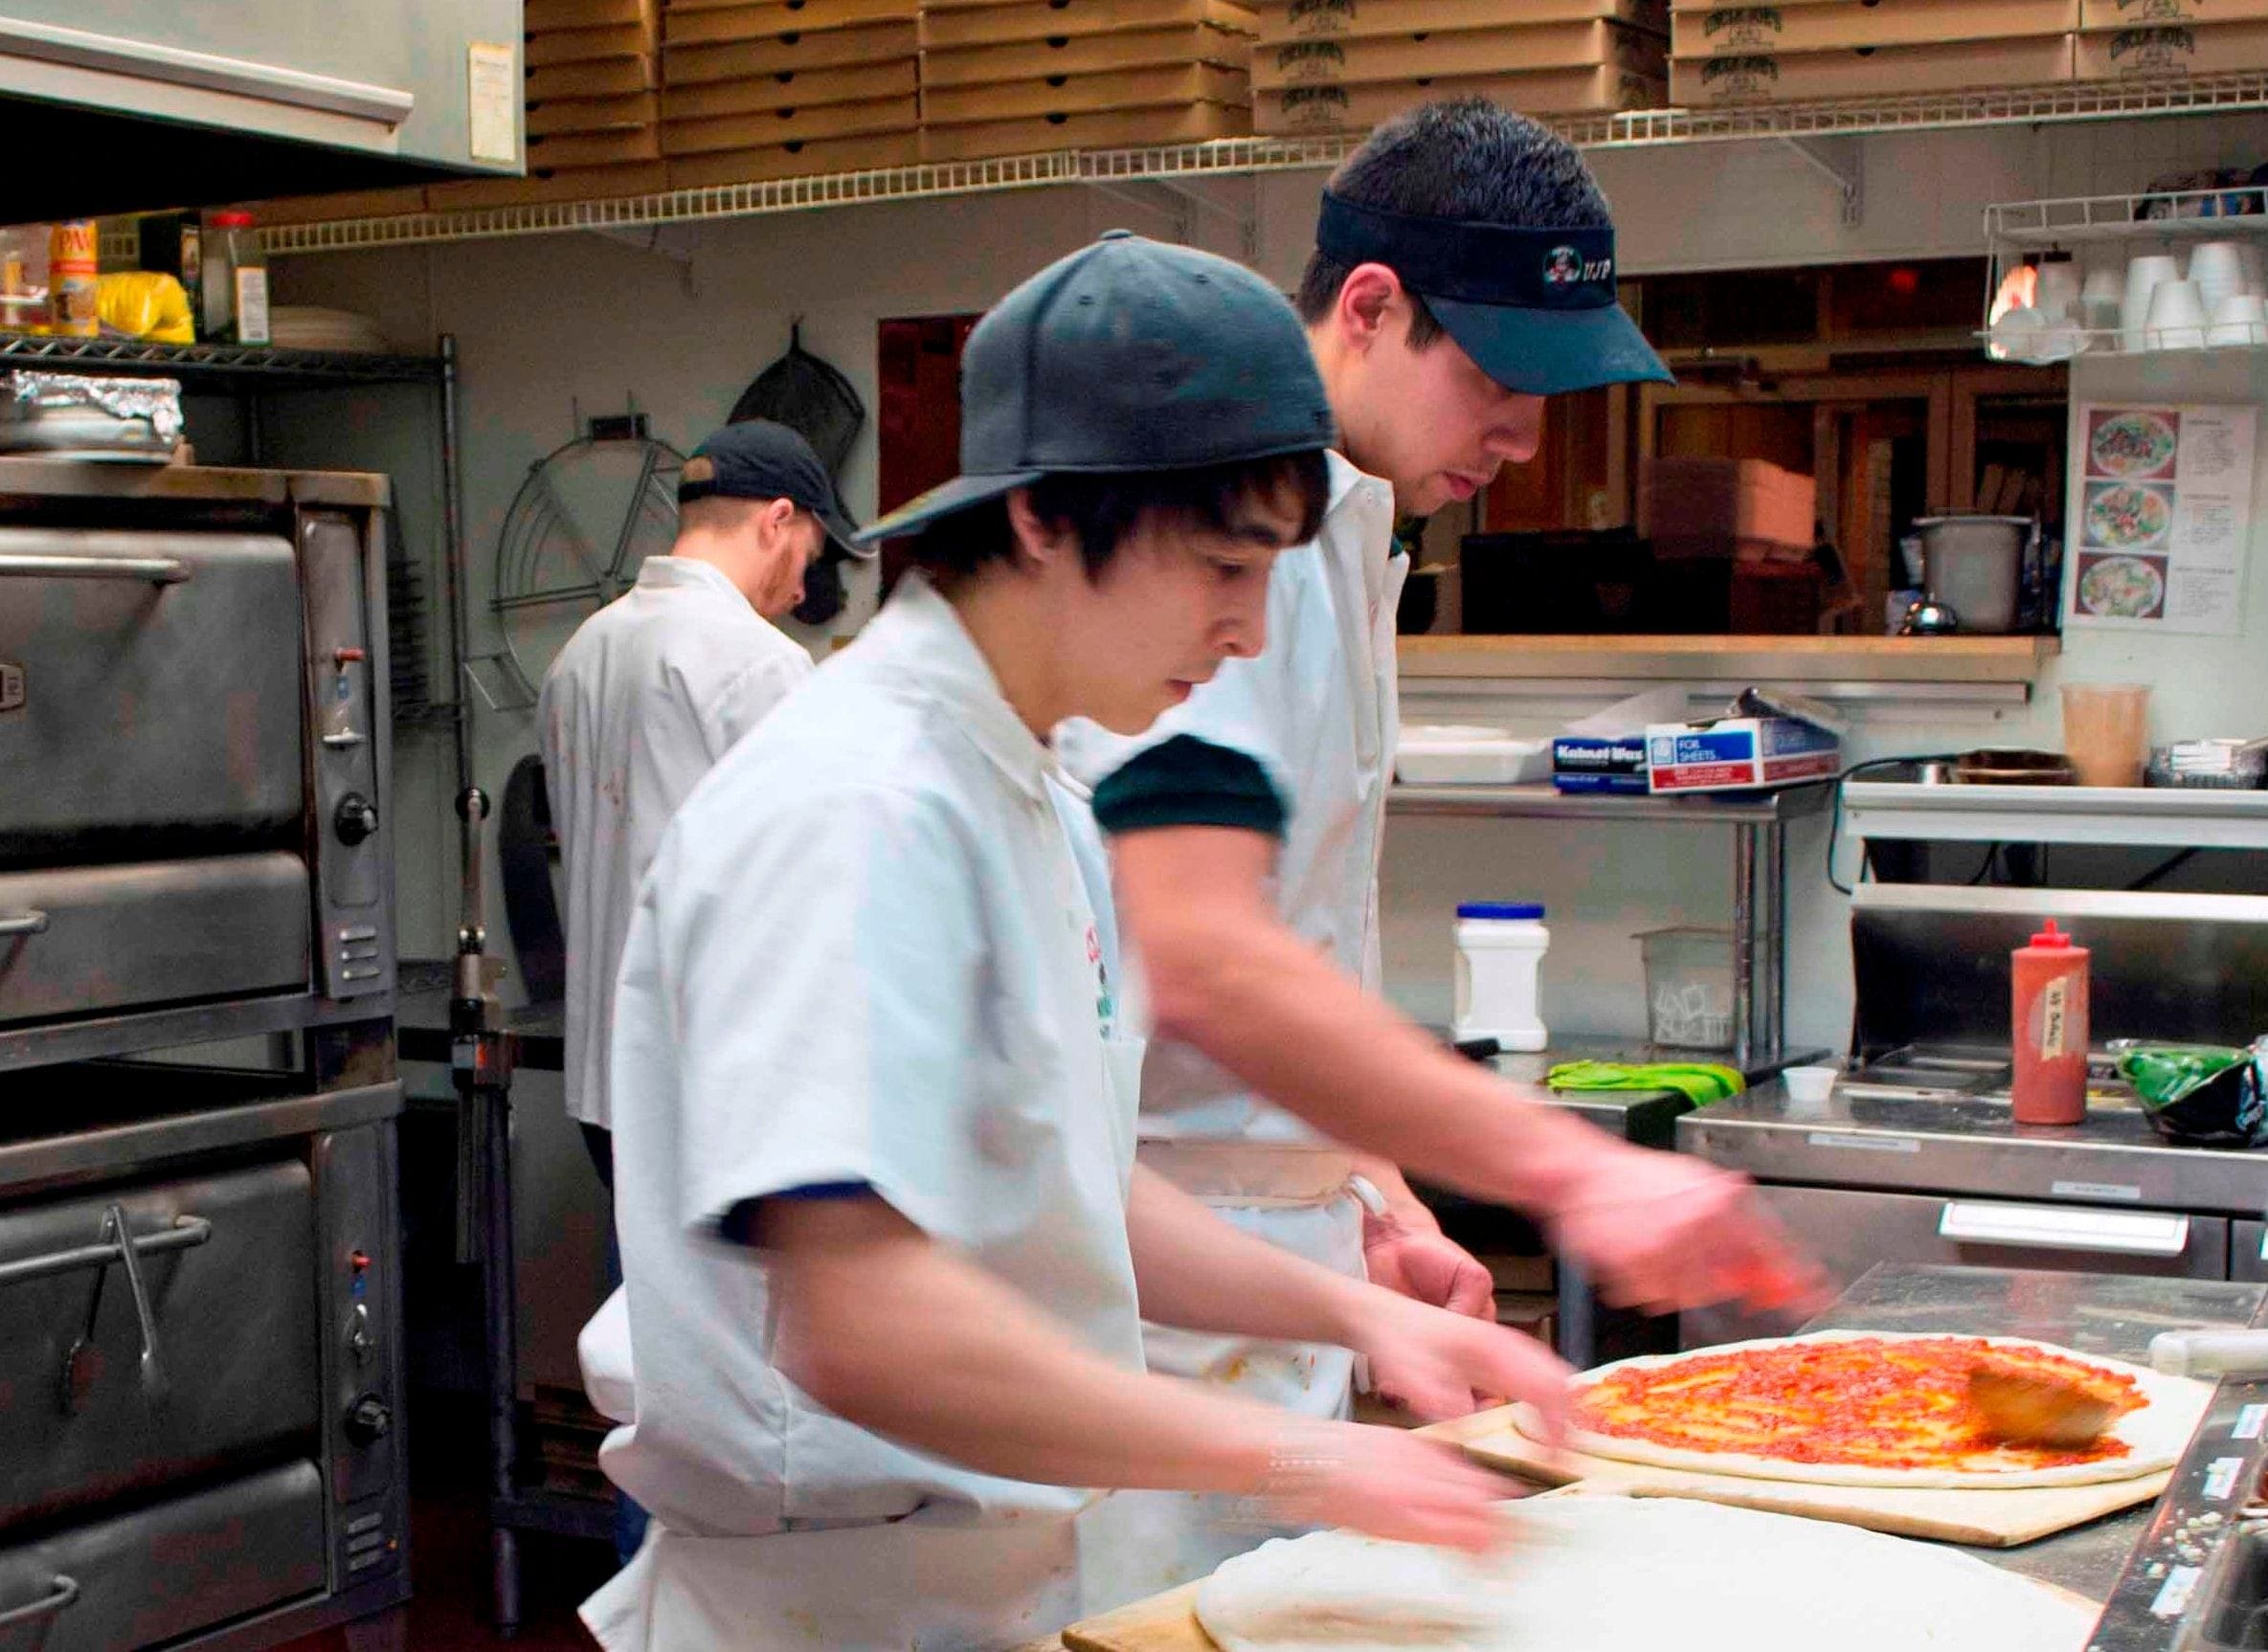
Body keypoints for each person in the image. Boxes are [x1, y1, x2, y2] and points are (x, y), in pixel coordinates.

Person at [577, 232, 1572, 1652]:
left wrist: (1359, 1316)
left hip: (990, 1585)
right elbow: (862, 1323)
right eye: (1222, 565)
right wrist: (1297, 1456)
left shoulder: (1033, 783)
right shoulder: (859, 801)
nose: (1244, 631)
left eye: (1271, 572)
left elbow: (1066, 1184)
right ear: (1041, 517)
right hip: (829, 1604)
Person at [1065, 99, 1829, 1596]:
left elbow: (1296, 931)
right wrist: (1568, 1171)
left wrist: (1374, 1190)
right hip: (1136, 1285)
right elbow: (1199, 951)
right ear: (1369, 308)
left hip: (1245, 1262)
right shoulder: (1229, 539)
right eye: (1497, 376)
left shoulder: (1353, 536)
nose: (1528, 436)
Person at [539, 417, 865, 1559]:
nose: (805, 583)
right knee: (730, 1392)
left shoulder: (583, 650)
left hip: (607, 1080)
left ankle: (651, 1611)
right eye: (812, 552)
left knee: (653, 1363)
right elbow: (813, 880)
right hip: (722, 1079)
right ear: (780, 521)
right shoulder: (759, 666)